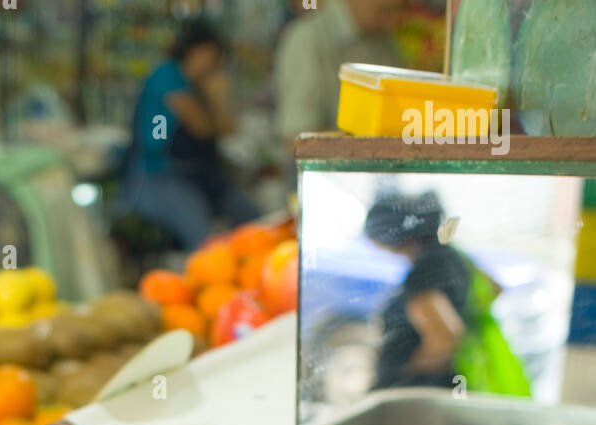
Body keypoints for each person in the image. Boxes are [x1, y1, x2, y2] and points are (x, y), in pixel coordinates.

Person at [364, 189, 531, 395]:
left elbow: (446, 337)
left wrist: (404, 372)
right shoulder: (454, 257)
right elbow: (494, 289)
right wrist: (464, 310)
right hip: (449, 389)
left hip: (424, 394)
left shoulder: (425, 272)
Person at [120, 18, 259, 251]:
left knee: (251, 219)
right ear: (198, 51)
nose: (215, 66)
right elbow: (202, 127)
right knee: (204, 239)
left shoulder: (193, 83)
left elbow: (228, 129)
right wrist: (216, 97)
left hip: (196, 177)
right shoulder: (168, 77)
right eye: (213, 57)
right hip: (157, 179)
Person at [275, 0, 406, 142]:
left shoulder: (383, 42)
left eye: (399, 10)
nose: (393, 21)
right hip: (331, 163)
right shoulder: (307, 40)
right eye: (385, 10)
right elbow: (297, 137)